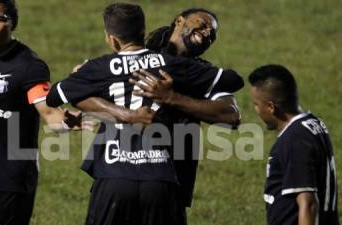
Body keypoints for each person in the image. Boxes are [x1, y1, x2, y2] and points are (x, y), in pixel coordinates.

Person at [46, 3, 242, 225]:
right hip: (127, 172)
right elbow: (82, 94)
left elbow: (231, 115)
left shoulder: (199, 72)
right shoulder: (147, 54)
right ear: (179, 21)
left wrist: (173, 98)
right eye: (203, 24)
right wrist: (116, 113)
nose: (208, 32)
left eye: (213, 33)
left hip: (168, 176)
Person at [0, 1, 82, 225]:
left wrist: (68, 122)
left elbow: (49, 114)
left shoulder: (28, 67)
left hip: (10, 183)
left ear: (13, 23)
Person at [248, 64, 339, 225]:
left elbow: (308, 204)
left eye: (256, 104)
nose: (256, 109)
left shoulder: (294, 140)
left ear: (271, 107)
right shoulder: (313, 123)